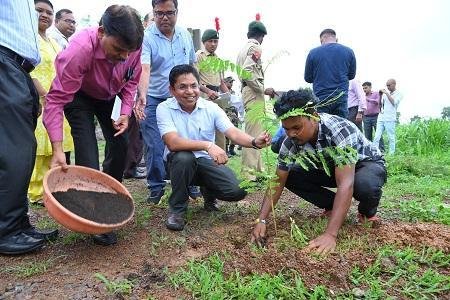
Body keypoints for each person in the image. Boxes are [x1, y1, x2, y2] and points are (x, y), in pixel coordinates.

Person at [44, 5, 144, 246]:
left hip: (108, 96)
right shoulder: (79, 50)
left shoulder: (133, 47)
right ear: (101, 32)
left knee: (121, 142)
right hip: (77, 97)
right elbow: (56, 100)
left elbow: (131, 81)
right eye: (118, 49)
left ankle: (108, 198)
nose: (123, 56)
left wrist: (125, 112)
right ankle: (91, 216)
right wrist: (58, 149)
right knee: (88, 156)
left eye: (128, 52)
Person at [251, 89, 386, 255]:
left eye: (296, 127)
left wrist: (330, 234)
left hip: (364, 164)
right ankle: (331, 206)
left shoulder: (339, 130)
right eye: (286, 128)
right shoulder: (290, 142)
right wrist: (261, 219)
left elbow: (346, 183)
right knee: (289, 175)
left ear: (313, 116)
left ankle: (366, 213)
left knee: (364, 185)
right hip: (330, 167)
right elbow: (278, 180)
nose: (291, 134)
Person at [157, 65, 271, 231]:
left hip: (204, 161)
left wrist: (254, 141)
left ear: (199, 86)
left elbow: (233, 132)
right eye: (182, 87)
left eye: (193, 86)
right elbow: (173, 142)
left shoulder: (211, 108)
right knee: (184, 157)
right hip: (177, 164)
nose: (190, 91)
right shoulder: (164, 108)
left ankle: (209, 195)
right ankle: (177, 210)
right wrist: (208, 145)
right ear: (172, 90)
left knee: (237, 190)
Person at [0, 0, 59, 255]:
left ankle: (19, 223)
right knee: (14, 150)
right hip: (4, 61)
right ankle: (6, 229)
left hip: (20, 67)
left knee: (24, 148)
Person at [136, 0, 196, 205]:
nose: (164, 18)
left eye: (169, 13)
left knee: (188, 138)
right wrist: (142, 96)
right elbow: (145, 68)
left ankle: (192, 184)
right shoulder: (146, 37)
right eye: (158, 13)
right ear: (153, 13)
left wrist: (196, 92)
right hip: (153, 97)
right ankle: (156, 187)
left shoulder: (185, 36)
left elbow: (191, 65)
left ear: (177, 12)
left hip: (181, 98)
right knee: (154, 143)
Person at [28, 0, 74, 203]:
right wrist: (44, 95)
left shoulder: (53, 42)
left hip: (57, 99)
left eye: (48, 12)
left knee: (54, 144)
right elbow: (29, 69)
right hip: (38, 98)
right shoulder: (27, 39)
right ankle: (36, 192)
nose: (44, 15)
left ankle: (51, 189)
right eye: (39, 11)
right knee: (39, 146)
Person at [236, 20, 277, 180]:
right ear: (261, 37)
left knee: (258, 131)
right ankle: (249, 174)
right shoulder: (255, 47)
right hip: (253, 92)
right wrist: (261, 88)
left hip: (248, 91)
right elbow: (247, 71)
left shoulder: (243, 49)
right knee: (253, 134)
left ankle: (258, 171)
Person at [123, 12, 154, 180]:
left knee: (138, 134)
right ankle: (129, 168)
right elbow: (140, 71)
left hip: (139, 94)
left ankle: (132, 165)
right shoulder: (137, 44)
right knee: (130, 131)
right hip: (132, 94)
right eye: (153, 20)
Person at [304, 29, 356, 118]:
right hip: (340, 97)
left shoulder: (313, 53)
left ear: (321, 40)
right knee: (341, 126)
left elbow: (308, 78)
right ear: (336, 39)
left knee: (322, 126)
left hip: (321, 97)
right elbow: (351, 75)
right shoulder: (349, 51)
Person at [195, 29, 230, 150]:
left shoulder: (219, 60)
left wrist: (229, 95)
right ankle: (205, 153)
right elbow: (194, 81)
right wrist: (208, 91)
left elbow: (221, 82)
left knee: (220, 127)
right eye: (210, 41)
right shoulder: (199, 56)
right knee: (205, 127)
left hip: (218, 97)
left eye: (216, 41)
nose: (213, 44)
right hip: (205, 96)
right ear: (204, 42)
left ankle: (221, 154)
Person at [373, 79, 402, 154]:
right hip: (381, 117)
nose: (388, 87)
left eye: (389, 85)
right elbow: (380, 105)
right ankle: (375, 153)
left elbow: (394, 102)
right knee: (376, 136)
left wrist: (386, 93)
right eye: (387, 85)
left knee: (391, 137)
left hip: (390, 118)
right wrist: (380, 95)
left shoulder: (399, 93)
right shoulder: (385, 95)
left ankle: (391, 154)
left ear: (394, 84)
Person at [362, 81, 384, 150]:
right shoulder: (362, 96)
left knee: (378, 134)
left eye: (366, 88)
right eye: (363, 88)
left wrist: (367, 99)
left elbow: (378, 102)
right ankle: (370, 151)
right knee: (367, 135)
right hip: (366, 117)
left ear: (370, 87)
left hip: (376, 117)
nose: (364, 90)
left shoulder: (376, 93)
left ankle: (381, 150)